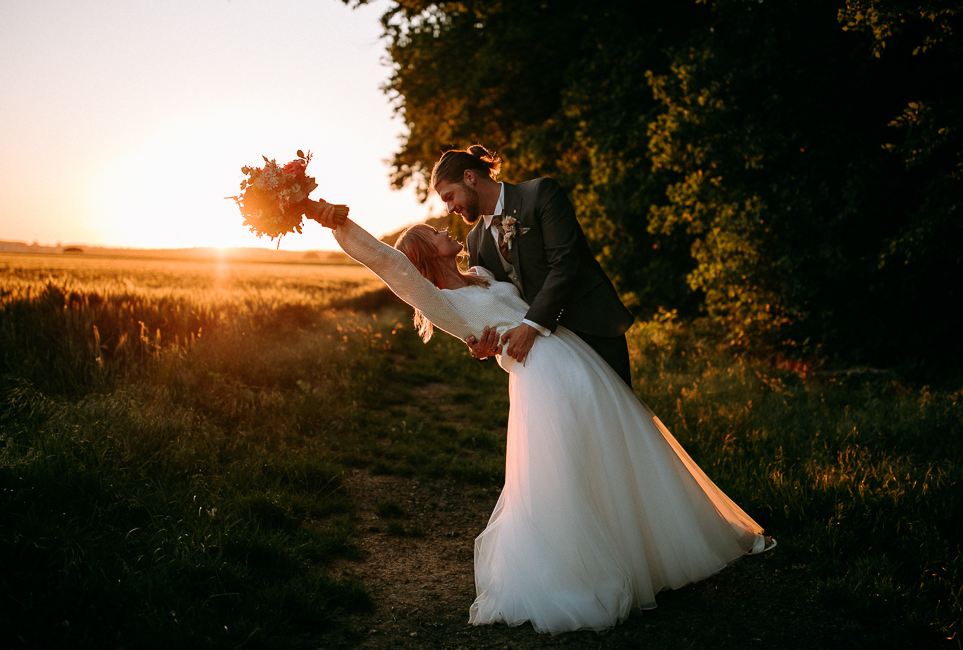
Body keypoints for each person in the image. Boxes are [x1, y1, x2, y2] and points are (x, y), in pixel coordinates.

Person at [303, 199, 775, 635]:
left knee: (622, 443)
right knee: (564, 467)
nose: (446, 229)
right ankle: (583, 572)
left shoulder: (482, 275)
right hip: (539, 375)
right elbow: (386, 262)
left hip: (571, 354)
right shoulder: (438, 300)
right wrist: (337, 222)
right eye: (434, 231)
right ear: (424, 253)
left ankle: (657, 549)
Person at [431, 145, 634, 385]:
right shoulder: (474, 241)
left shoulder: (540, 194)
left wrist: (530, 326)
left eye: (449, 196)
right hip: (544, 355)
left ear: (469, 177)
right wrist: (481, 348)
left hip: (593, 328)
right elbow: (488, 302)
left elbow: (565, 265)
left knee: (614, 414)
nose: (450, 208)